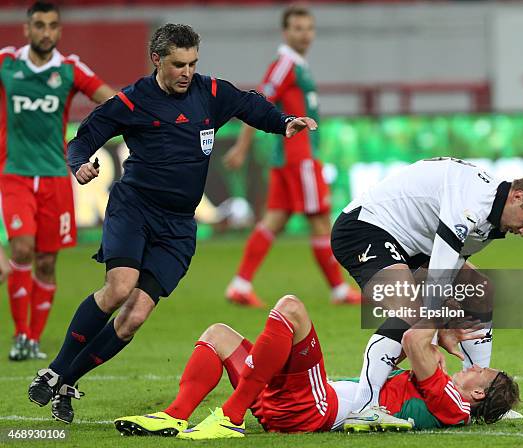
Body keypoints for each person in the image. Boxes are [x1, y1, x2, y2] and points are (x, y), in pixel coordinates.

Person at [27, 23, 317, 424]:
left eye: (193, 63)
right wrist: (78, 165)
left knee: (133, 319)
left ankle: (66, 381)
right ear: (157, 60)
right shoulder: (132, 101)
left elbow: (250, 104)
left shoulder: (210, 93)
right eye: (179, 64)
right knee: (119, 287)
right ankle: (56, 368)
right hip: (135, 209)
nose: (187, 72)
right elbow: (85, 136)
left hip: (179, 226)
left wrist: (283, 122)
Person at [330, 157, 523, 420]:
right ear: (517, 197)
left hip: (414, 244)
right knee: (413, 315)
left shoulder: (494, 220)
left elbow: (452, 265)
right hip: (365, 229)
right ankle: (364, 408)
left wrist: (445, 317)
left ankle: (479, 400)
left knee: (479, 291)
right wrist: (437, 327)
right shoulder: (474, 200)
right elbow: (440, 269)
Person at [112, 294, 519, 439]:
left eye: (480, 372)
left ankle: (230, 416)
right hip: (292, 403)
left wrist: (438, 313)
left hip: (314, 407)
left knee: (291, 309)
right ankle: (173, 416)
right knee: (219, 334)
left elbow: (413, 339)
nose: (472, 367)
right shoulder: (438, 392)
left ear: (479, 393)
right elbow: (403, 347)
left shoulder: (456, 406)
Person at [0, 1, 115, 362]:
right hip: (15, 174)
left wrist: (94, 137)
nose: (46, 32)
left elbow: (111, 102)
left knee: (47, 262)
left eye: (52, 26)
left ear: (59, 31)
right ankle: (20, 336)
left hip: (54, 177)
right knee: (21, 249)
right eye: (39, 25)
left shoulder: (68, 69)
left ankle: (34, 338)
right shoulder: (6, 62)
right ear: (26, 29)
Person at [223, 5, 360, 307]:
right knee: (321, 220)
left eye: (308, 28)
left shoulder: (297, 64)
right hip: (299, 157)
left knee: (273, 220)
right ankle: (338, 290)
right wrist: (242, 146)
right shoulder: (285, 63)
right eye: (298, 28)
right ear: (286, 32)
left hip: (287, 158)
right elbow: (257, 102)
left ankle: (240, 284)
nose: (305, 34)